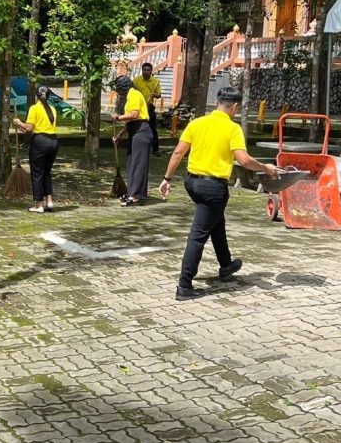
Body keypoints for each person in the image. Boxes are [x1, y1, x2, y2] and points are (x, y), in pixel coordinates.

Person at [159, 87, 284, 301]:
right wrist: (265, 167)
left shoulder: (197, 123)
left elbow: (178, 152)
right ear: (234, 107)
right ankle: (184, 285)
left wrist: (167, 179)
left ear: (217, 103)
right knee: (198, 235)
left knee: (216, 221)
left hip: (192, 183)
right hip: (213, 188)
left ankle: (226, 265)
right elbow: (244, 160)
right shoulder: (232, 128)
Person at [12, 85, 59, 213]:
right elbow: (39, 126)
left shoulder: (34, 108)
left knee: (37, 173)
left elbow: (29, 128)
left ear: (37, 96)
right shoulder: (52, 109)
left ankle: (39, 205)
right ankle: (49, 201)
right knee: (47, 172)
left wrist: (18, 122)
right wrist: (24, 127)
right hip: (53, 141)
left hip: (40, 142)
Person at [112, 75, 152, 206]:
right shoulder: (129, 96)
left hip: (141, 131)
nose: (118, 92)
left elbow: (134, 115)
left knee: (138, 164)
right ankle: (132, 192)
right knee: (132, 163)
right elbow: (130, 122)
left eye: (118, 88)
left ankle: (135, 196)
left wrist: (118, 117)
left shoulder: (134, 94)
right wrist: (119, 135)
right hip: (134, 130)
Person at [133, 62, 162, 156]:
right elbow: (132, 92)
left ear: (151, 71)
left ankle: (155, 149)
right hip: (138, 108)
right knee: (136, 127)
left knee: (152, 128)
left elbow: (159, 94)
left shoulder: (155, 81)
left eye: (148, 70)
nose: (146, 72)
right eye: (144, 70)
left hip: (149, 107)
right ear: (142, 70)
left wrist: (155, 95)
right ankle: (135, 148)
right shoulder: (136, 80)